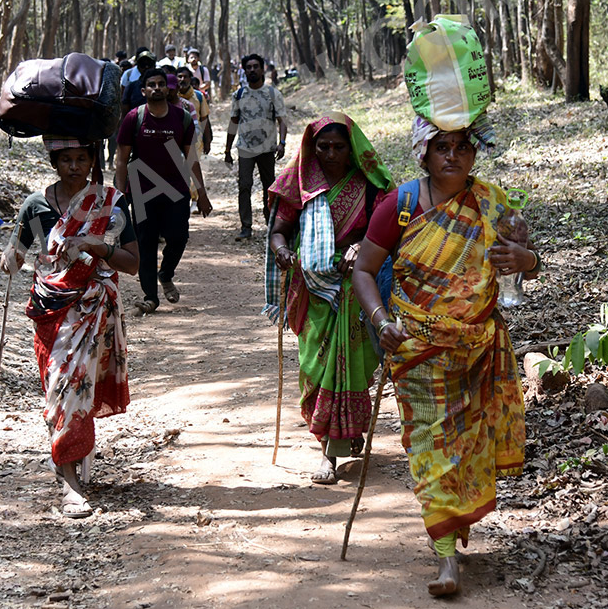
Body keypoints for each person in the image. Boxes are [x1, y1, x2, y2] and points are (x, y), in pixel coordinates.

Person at [351, 117, 534, 598]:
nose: (452, 155)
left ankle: (454, 530)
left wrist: (527, 261)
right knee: (432, 450)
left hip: (479, 350)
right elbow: (364, 271)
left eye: (461, 146)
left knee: (469, 446)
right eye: (441, 147)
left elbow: (528, 261)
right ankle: (447, 557)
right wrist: (379, 320)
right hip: (418, 351)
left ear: (474, 153)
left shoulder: (496, 203)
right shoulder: (401, 206)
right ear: (424, 154)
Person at [0, 138, 140, 518]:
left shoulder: (112, 203)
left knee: (71, 390)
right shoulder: (36, 204)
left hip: (93, 309)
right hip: (49, 307)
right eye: (66, 160)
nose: (74, 166)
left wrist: (95, 244)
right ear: (54, 162)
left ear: (94, 160)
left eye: (81, 158)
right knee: (59, 391)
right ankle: (69, 466)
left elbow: (132, 263)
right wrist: (11, 257)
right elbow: (16, 251)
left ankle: (69, 481)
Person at [266, 116, 393, 485]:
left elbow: (384, 231)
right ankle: (333, 437)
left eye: (339, 147)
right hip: (313, 290)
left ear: (352, 148)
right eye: (324, 147)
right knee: (316, 368)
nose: (331, 154)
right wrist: (281, 251)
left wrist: (360, 247)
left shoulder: (369, 187)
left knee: (350, 364)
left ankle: (330, 454)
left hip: (356, 290)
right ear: (312, 148)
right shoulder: (301, 186)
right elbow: (279, 230)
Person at [115, 66, 212, 314]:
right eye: (151, 85)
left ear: (166, 87)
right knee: (145, 243)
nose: (156, 88)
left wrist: (201, 194)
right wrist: (118, 196)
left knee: (179, 236)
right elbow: (121, 159)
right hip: (140, 188)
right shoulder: (133, 118)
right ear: (143, 90)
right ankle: (150, 297)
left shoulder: (182, 118)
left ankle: (166, 273)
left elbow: (191, 158)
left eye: (160, 84)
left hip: (175, 188)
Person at [225, 54, 287, 240]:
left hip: (267, 149)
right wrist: (227, 150)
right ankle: (246, 227)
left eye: (255, 66)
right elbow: (233, 122)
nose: (252, 70)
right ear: (244, 70)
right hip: (245, 149)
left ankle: (271, 225)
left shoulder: (272, 94)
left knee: (269, 187)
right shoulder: (240, 94)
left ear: (262, 69)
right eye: (249, 67)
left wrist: (282, 143)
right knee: (244, 186)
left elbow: (282, 120)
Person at [176, 67, 211, 154]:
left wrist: (207, 141)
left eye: (185, 77)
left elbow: (204, 119)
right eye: (180, 77)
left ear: (190, 79)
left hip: (195, 140)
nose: (182, 79)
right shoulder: (171, 96)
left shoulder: (198, 96)